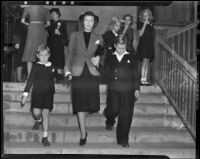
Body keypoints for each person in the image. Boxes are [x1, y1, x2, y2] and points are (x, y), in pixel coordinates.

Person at [64, 11, 103, 146]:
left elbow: (102, 52)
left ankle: (82, 124)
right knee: (80, 104)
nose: (88, 23)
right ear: (82, 22)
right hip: (77, 72)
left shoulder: (99, 37)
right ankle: (83, 133)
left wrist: (99, 57)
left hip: (92, 73)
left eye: (91, 20)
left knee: (92, 105)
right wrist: (67, 70)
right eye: (86, 20)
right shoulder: (74, 35)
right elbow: (70, 54)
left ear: (94, 22)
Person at [101, 37, 140, 147]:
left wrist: (137, 89)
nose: (121, 50)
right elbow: (105, 73)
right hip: (114, 89)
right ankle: (109, 117)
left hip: (128, 90)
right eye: (119, 48)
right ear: (115, 45)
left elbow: (135, 73)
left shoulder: (131, 56)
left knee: (126, 114)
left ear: (126, 46)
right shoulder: (110, 57)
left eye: (123, 48)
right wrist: (97, 64)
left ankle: (123, 139)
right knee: (113, 109)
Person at [21, 45, 58, 146]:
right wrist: (25, 94)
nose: (44, 57)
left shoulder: (52, 66)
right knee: (36, 113)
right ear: (38, 56)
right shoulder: (36, 67)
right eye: (41, 55)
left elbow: (58, 76)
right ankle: (38, 120)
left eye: (46, 55)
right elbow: (31, 80)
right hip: (37, 93)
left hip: (48, 94)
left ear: (49, 55)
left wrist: (67, 75)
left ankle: (45, 137)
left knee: (46, 114)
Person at [21, 5, 51, 78]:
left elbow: (22, 21)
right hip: (41, 30)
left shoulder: (27, 8)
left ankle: (29, 76)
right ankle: (42, 76)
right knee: (42, 52)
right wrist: (41, 26)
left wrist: (31, 25)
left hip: (32, 30)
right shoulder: (46, 9)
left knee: (29, 54)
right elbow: (48, 24)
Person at [47, 8, 67, 82]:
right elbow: (47, 34)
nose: (52, 15)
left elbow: (65, 36)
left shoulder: (63, 23)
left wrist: (59, 33)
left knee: (59, 62)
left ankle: (60, 80)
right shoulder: (49, 23)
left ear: (58, 14)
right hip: (50, 46)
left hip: (59, 46)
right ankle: (52, 80)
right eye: (51, 14)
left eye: (54, 13)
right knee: (51, 62)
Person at [137, 8, 155, 85]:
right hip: (143, 44)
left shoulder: (151, 24)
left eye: (147, 16)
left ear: (149, 16)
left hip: (149, 44)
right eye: (144, 16)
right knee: (144, 61)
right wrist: (145, 23)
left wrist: (148, 23)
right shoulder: (140, 23)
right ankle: (142, 79)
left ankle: (145, 78)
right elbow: (140, 34)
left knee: (147, 62)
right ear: (142, 16)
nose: (145, 17)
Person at [13, 6, 27, 82]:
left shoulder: (29, 21)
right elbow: (16, 33)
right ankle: (19, 79)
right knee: (19, 61)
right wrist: (17, 43)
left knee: (27, 61)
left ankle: (25, 79)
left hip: (28, 43)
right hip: (20, 44)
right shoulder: (18, 21)